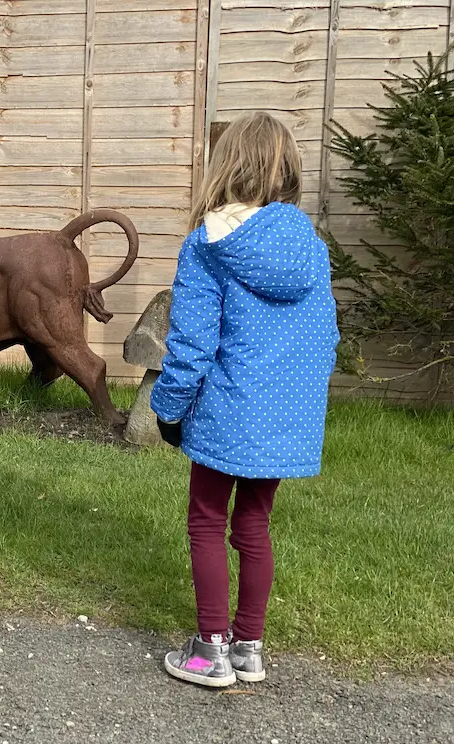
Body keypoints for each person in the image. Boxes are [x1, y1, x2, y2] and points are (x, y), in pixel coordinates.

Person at [149, 111, 340, 688]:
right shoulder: (312, 248)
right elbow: (324, 337)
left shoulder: (207, 244)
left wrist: (170, 407)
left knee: (206, 521)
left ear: (226, 166)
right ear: (287, 172)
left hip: (226, 412)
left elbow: (191, 341)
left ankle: (210, 651)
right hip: (284, 419)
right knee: (254, 526)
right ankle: (249, 649)